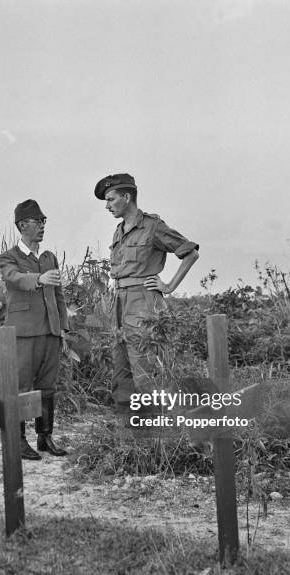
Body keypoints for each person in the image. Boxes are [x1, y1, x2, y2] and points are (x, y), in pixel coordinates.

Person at [94, 173, 200, 417]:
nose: (108, 206)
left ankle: (157, 429)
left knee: (144, 366)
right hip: (119, 302)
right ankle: (129, 429)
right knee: (121, 367)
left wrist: (170, 285)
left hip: (143, 301)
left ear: (127, 197)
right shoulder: (119, 231)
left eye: (111, 199)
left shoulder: (152, 226)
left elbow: (190, 253)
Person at [0, 199, 69, 460]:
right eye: (37, 222)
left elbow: (58, 294)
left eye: (43, 222)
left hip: (50, 331)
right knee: (20, 387)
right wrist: (38, 279)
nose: (41, 226)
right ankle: (18, 440)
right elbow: (13, 279)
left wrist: (62, 328)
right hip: (23, 332)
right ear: (21, 225)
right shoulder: (9, 257)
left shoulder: (49, 257)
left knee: (47, 386)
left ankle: (44, 436)